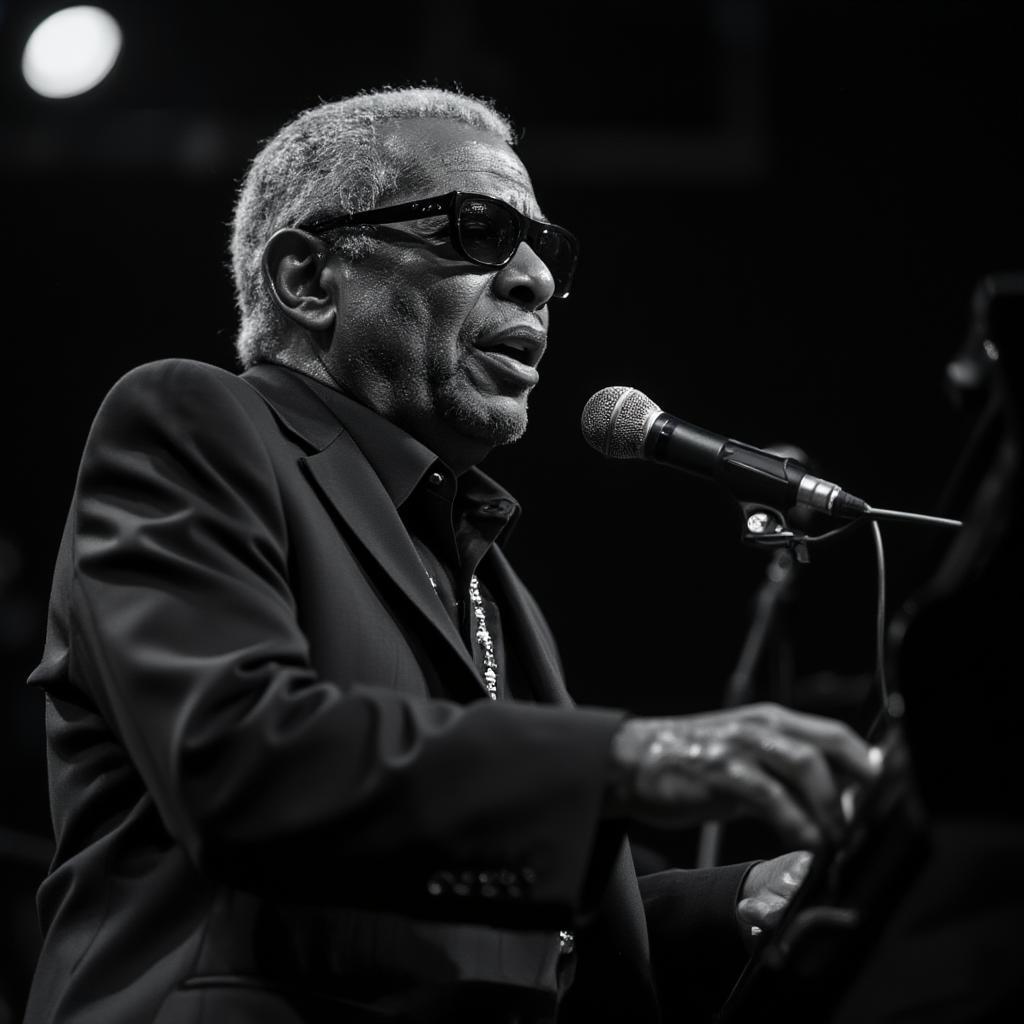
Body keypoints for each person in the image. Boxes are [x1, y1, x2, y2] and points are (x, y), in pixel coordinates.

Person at [24, 87, 879, 1024]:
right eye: (478, 229)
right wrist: (626, 759)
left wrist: (741, 899)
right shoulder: (194, 423)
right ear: (309, 279)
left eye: (546, 250)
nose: (536, 281)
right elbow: (241, 762)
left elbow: (535, 926)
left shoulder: (482, 566)